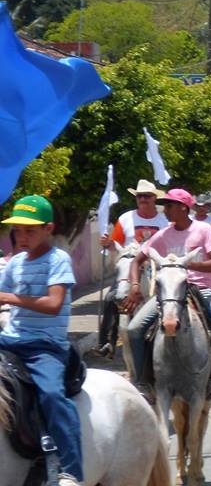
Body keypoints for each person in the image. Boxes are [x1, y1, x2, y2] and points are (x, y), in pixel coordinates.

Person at [0, 196, 84, 486]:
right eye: (18, 230)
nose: (21, 237)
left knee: (51, 395)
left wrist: (9, 298)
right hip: (10, 338)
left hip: (44, 345)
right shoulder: (16, 263)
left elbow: (53, 304)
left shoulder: (58, 259)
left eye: (30, 230)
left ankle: (72, 469)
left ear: (49, 228)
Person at [125, 188, 211, 402]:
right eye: (164, 206)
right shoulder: (163, 234)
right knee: (134, 329)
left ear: (183, 207)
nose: (164, 210)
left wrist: (184, 264)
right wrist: (135, 285)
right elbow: (136, 260)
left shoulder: (203, 230)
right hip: (169, 293)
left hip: (200, 288)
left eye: (169, 206)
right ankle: (143, 381)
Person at [96, 179, 168, 357]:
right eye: (140, 196)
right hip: (129, 267)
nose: (143, 199)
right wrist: (108, 243)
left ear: (154, 199)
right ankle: (107, 343)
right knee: (111, 298)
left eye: (147, 196)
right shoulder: (125, 218)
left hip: (154, 268)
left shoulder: (164, 221)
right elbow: (116, 245)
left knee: (172, 297)